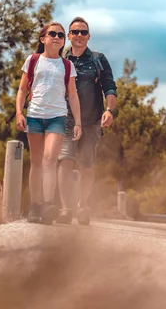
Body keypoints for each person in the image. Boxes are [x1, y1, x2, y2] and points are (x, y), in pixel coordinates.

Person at [15, 22, 82, 224]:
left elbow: (72, 94)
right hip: (35, 116)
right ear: (42, 38)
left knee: (49, 159)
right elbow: (21, 90)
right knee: (36, 163)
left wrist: (78, 122)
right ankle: (34, 208)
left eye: (61, 35)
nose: (57, 38)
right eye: (52, 34)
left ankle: (47, 205)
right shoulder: (33, 60)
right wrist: (19, 113)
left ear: (64, 41)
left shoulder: (67, 65)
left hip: (57, 117)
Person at [56, 16, 117, 225]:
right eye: (75, 32)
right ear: (69, 36)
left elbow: (110, 87)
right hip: (66, 121)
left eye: (83, 32)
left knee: (87, 165)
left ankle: (83, 206)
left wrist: (109, 110)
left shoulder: (99, 59)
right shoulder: (61, 59)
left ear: (88, 36)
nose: (79, 36)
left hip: (92, 122)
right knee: (65, 162)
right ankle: (65, 209)